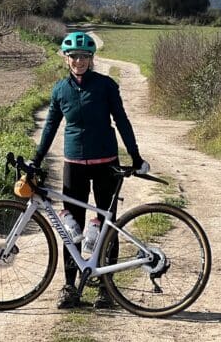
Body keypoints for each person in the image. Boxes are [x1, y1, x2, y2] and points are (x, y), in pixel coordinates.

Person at [30, 30, 149, 310]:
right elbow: (50, 127)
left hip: (107, 163)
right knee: (72, 227)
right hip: (74, 165)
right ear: (66, 59)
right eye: (74, 56)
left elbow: (121, 121)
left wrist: (135, 156)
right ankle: (70, 287)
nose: (79, 61)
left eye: (84, 56)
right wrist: (36, 159)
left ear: (91, 58)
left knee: (108, 226)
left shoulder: (106, 86)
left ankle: (107, 290)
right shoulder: (60, 90)